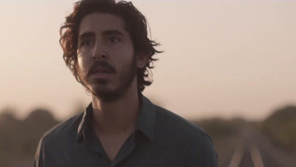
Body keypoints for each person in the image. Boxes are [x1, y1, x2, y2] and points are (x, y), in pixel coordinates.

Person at [34, 0, 218, 166]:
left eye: (113, 39)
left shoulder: (190, 145)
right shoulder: (53, 149)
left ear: (140, 56)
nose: (97, 52)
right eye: (87, 42)